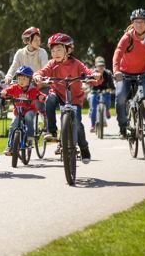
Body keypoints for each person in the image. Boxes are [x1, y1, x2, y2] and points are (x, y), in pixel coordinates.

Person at [33, 33, 100, 163]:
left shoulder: (77, 64)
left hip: (74, 98)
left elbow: (88, 72)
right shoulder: (52, 64)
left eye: (59, 49)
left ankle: (84, 147)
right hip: (57, 93)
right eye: (52, 50)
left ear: (68, 50)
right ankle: (52, 131)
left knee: (78, 125)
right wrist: (37, 76)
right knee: (49, 100)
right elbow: (42, 71)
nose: (55, 53)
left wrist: (95, 75)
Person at [112, 8, 145, 139]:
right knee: (120, 96)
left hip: (143, 73)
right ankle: (123, 127)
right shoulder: (127, 37)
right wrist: (116, 71)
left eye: (142, 22)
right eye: (136, 22)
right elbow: (117, 53)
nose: (139, 24)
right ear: (132, 23)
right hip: (124, 73)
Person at [1, 66, 44, 155]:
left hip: (29, 110)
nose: (21, 81)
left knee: (28, 118)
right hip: (18, 112)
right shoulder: (14, 87)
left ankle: (29, 137)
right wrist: (4, 92)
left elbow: (39, 94)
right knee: (13, 125)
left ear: (30, 80)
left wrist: (41, 97)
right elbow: (6, 90)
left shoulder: (32, 89)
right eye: (19, 78)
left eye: (24, 79)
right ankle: (10, 145)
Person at [88, 56, 115, 133]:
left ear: (104, 66)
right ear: (96, 66)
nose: (101, 67)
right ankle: (93, 125)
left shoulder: (108, 73)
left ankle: (107, 110)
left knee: (108, 100)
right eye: (99, 66)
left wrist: (111, 90)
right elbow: (90, 84)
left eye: (102, 66)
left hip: (105, 91)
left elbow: (111, 85)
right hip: (94, 91)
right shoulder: (93, 73)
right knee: (93, 108)